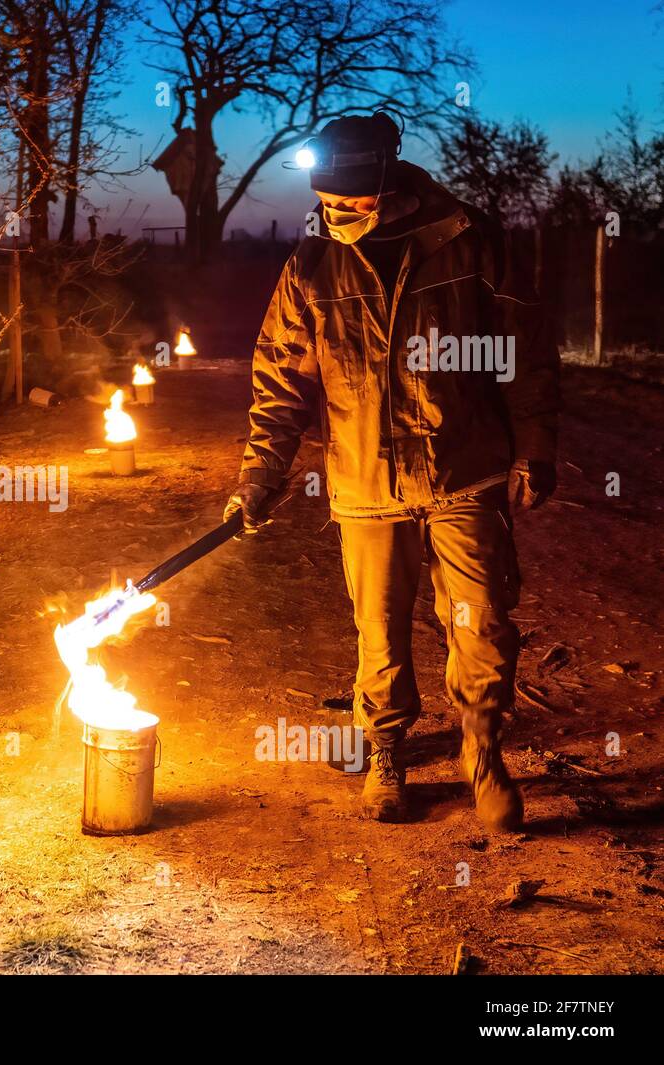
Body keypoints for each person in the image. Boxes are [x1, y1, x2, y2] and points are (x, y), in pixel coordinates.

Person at [228, 112, 559, 829]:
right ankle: (386, 751)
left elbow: (525, 349)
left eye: (351, 201)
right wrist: (261, 475)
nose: (337, 213)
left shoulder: (469, 242)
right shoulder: (313, 264)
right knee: (378, 634)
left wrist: (535, 444)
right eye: (327, 202)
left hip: (465, 470)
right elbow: (281, 379)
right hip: (364, 482)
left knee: (483, 622)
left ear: (388, 182)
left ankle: (484, 748)